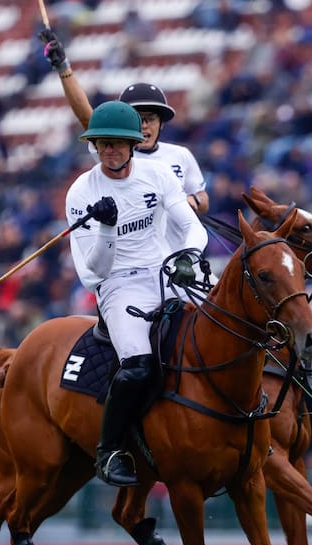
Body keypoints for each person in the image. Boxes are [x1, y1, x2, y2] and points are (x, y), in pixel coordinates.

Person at [66, 101, 208, 487]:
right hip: (118, 284)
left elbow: (194, 229)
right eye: (102, 143)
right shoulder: (81, 192)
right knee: (139, 366)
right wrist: (107, 228)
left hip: (166, 271)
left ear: (132, 144)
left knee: (226, 328)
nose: (109, 150)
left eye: (117, 143)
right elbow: (94, 270)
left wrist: (188, 256)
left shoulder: (158, 174)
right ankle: (109, 450)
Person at [39, 26, 209, 221]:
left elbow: (203, 198)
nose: (144, 125)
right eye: (138, 118)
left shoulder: (181, 155)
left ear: (161, 124)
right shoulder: (115, 155)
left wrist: (193, 200)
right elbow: (87, 118)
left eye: (151, 119)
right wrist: (63, 68)